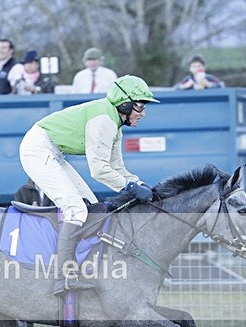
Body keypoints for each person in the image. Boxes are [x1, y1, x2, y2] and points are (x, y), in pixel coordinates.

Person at [19, 75, 159, 295]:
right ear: (125, 104)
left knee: (93, 208)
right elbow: (99, 170)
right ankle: (63, 277)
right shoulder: (105, 120)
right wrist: (131, 188)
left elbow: (118, 169)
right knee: (76, 210)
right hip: (37, 149)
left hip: (52, 151)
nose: (143, 113)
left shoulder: (115, 124)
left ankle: (83, 267)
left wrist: (141, 184)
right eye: (140, 106)